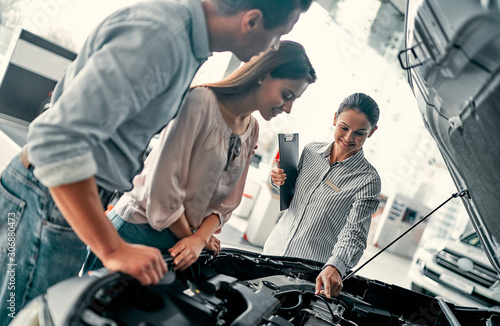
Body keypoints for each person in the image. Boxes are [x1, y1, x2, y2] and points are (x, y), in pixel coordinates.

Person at [0, 0, 314, 321]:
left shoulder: (185, 47)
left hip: (70, 199)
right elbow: (58, 143)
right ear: (251, 21)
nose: (273, 47)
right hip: (49, 198)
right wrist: (113, 248)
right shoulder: (163, 38)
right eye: (278, 36)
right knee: (21, 317)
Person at [82, 40, 317, 274]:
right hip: (137, 231)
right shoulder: (201, 103)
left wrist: (201, 236)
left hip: (180, 244)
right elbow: (162, 189)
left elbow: (228, 202)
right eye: (286, 95)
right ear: (263, 74)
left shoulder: (251, 129)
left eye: (293, 100)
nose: (287, 108)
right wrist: (194, 238)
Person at [264, 93, 381, 298]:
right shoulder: (310, 151)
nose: (348, 138)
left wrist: (336, 266)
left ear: (372, 132)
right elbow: (292, 196)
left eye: (359, 133)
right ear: (335, 118)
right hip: (271, 253)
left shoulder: (368, 180)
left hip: (309, 274)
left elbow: (355, 233)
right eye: (344, 127)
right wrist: (278, 179)